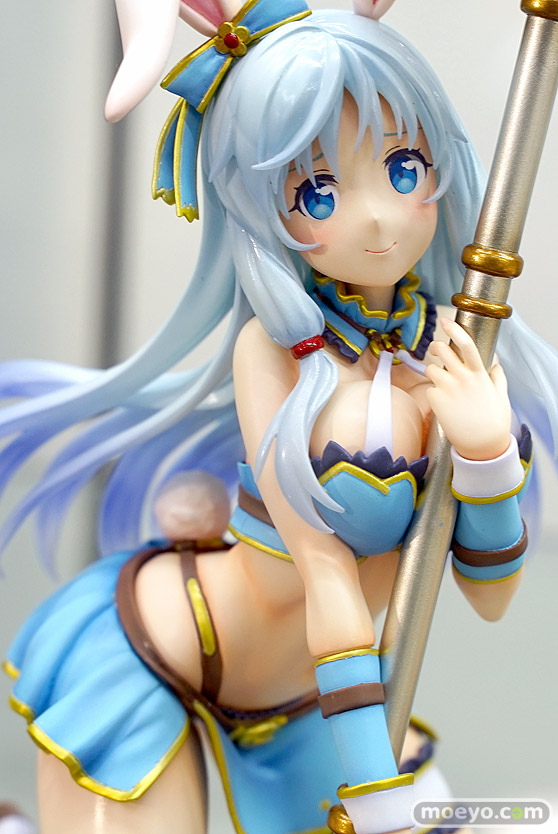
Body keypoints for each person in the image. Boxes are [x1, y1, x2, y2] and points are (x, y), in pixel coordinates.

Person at [2, 1, 556, 833]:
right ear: (265, 207)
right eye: (320, 191)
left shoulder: (456, 349)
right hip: (164, 651)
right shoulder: (274, 353)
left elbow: (490, 594)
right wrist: (373, 789)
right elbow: (324, 572)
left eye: (404, 168)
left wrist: (485, 454)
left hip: (312, 706)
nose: (377, 216)